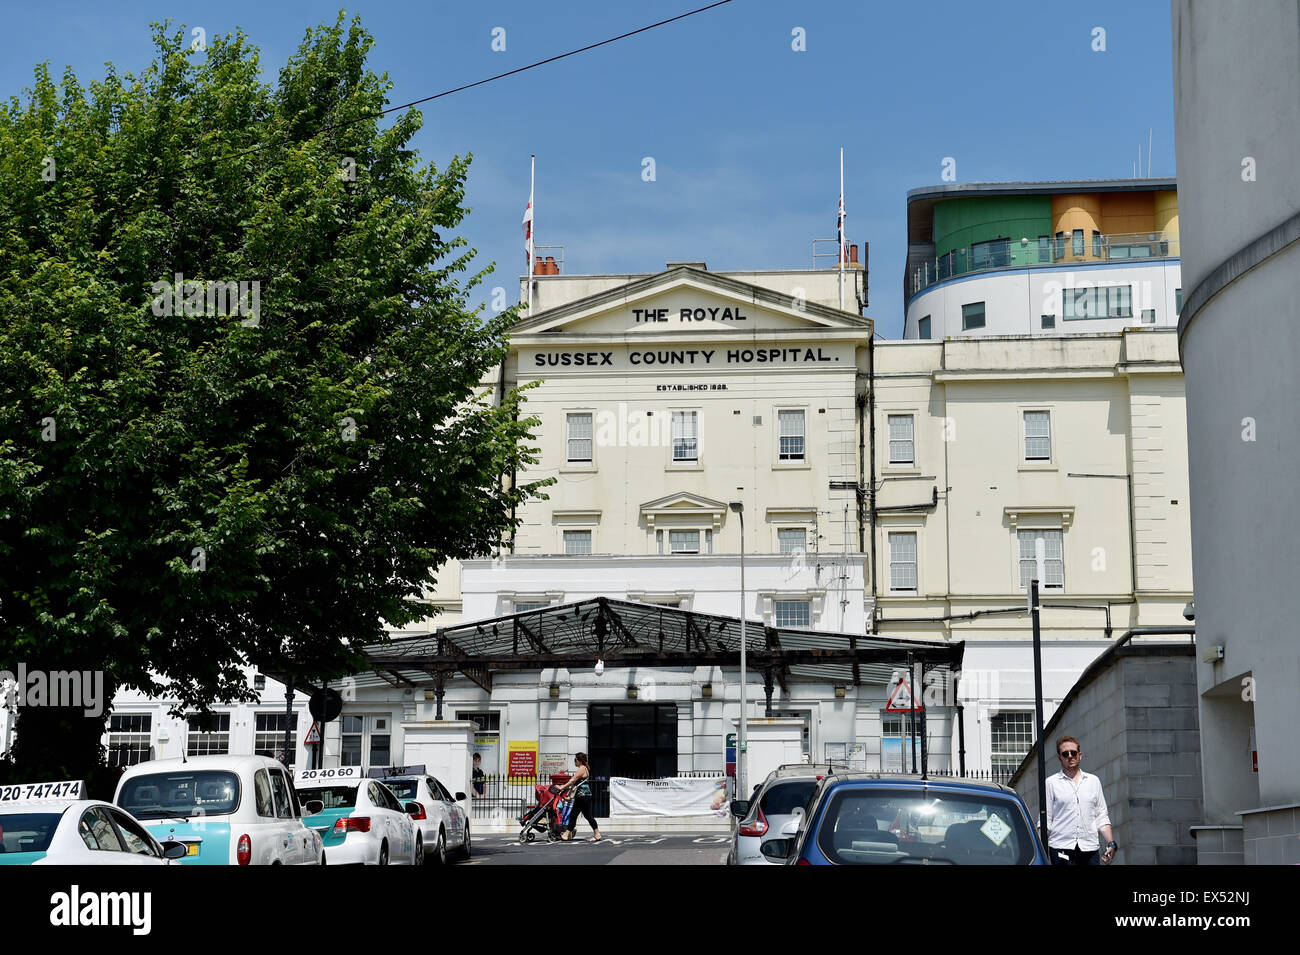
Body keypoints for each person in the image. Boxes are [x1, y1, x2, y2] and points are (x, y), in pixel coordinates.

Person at [1045, 735, 1117, 865]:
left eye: (1073, 753)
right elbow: (1045, 820)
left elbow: (1102, 816)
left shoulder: (1093, 781)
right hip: (1060, 847)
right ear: (1059, 757)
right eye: (1065, 754)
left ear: (1080, 755)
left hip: (1089, 847)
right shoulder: (1051, 783)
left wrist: (1111, 844)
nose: (1070, 756)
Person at [555, 752, 601, 842]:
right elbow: (575, 785)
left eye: (575, 760)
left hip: (583, 796)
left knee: (582, 815)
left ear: (579, 760)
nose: (574, 762)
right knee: (578, 815)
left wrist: (561, 787)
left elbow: (572, 781)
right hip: (582, 796)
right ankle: (566, 834)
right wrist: (569, 796)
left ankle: (597, 834)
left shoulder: (582, 768)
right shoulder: (583, 768)